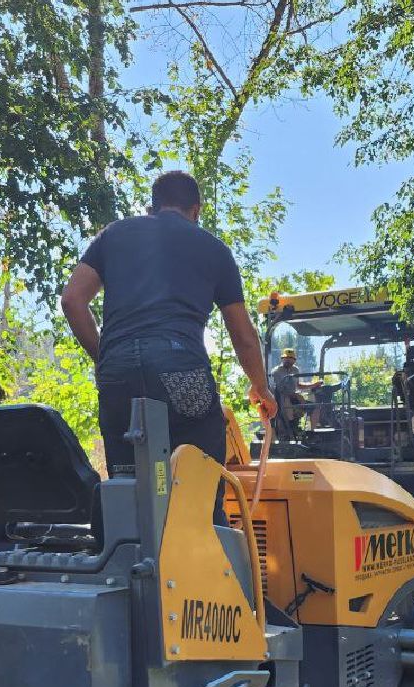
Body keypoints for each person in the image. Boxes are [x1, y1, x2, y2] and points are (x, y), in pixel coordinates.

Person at [59, 171, 277, 483]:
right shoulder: (213, 249)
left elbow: (71, 300)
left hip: (117, 373)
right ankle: (203, 524)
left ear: (154, 206)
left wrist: (103, 357)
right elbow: (243, 336)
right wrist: (260, 386)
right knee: (197, 488)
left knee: (127, 487)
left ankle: (127, 531)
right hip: (180, 368)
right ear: (196, 210)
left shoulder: (114, 234)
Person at [271, 347, 320, 435]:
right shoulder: (276, 372)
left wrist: (314, 385)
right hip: (280, 399)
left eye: (290, 358)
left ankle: (312, 432)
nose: (288, 360)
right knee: (287, 401)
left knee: (316, 407)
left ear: (294, 360)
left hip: (294, 398)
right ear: (282, 359)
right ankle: (291, 426)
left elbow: (298, 385)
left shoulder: (295, 370)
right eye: (286, 358)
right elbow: (278, 389)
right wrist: (294, 395)